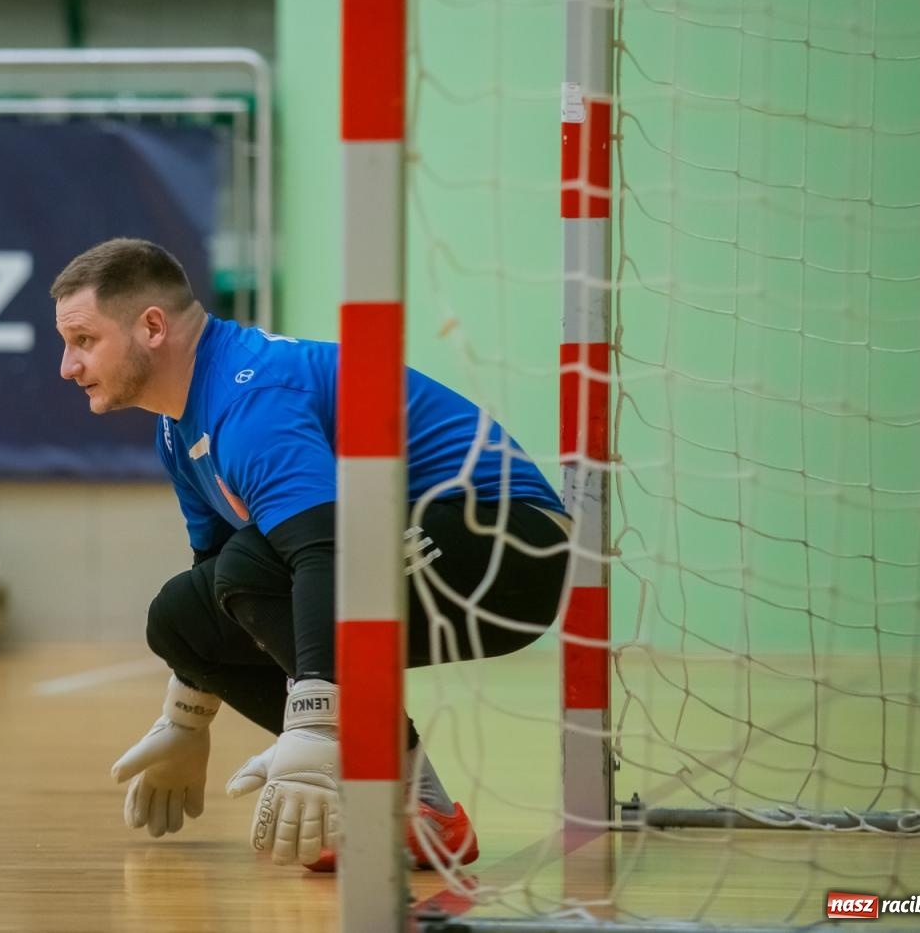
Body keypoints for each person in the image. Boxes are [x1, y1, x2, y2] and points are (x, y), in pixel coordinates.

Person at [51, 237, 571, 871]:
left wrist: (314, 724)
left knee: (257, 564)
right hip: (403, 546)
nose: (68, 366)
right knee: (180, 616)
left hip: (513, 547)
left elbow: (322, 550)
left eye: (83, 340)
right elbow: (217, 587)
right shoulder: (176, 428)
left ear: (152, 327)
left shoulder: (250, 397)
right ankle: (416, 809)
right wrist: (186, 718)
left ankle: (391, 791)